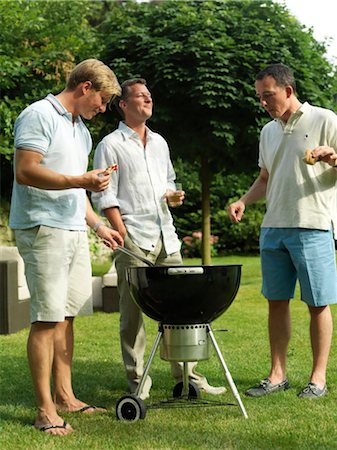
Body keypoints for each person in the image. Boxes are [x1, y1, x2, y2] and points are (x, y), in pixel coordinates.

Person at [9, 59, 124, 435]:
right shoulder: (38, 115)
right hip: (43, 228)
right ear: (86, 87)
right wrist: (80, 179)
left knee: (67, 315)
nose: (103, 109)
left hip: (74, 229)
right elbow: (25, 170)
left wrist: (98, 225)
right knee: (46, 318)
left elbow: (79, 190)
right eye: (103, 100)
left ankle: (65, 396)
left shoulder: (81, 132)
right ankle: (45, 410)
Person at [92, 78, 226, 399]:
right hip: (133, 239)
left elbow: (167, 182)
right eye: (141, 96)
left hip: (167, 236)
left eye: (150, 95)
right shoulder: (110, 145)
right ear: (124, 105)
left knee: (181, 308)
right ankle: (138, 380)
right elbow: (105, 195)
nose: (148, 99)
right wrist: (120, 232)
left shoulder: (161, 143)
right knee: (133, 313)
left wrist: (172, 196)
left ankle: (187, 376)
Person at [227, 63, 337, 399]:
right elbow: (265, 179)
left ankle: (317, 379)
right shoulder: (268, 131)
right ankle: (277, 375)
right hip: (273, 227)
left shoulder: (325, 119)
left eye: (268, 95)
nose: (263, 102)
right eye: (259, 97)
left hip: (312, 224)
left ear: (288, 90)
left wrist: (331, 156)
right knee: (277, 302)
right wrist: (244, 200)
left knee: (318, 303)